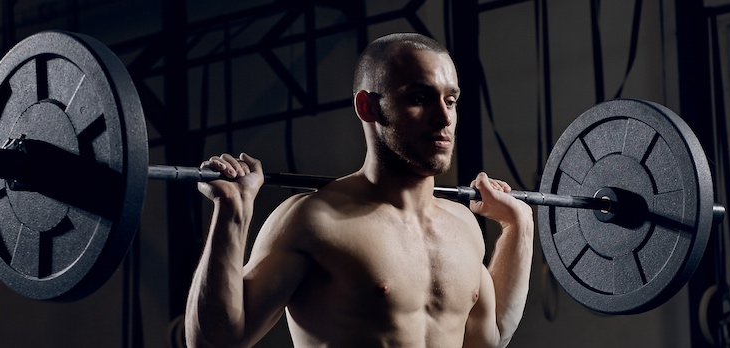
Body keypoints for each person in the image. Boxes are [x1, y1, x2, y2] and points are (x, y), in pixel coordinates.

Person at [185, 33, 533, 347]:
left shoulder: (463, 226)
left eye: (451, 100)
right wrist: (232, 213)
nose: (443, 118)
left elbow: (491, 338)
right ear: (367, 107)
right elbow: (214, 343)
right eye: (420, 98)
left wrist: (520, 227)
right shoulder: (314, 221)